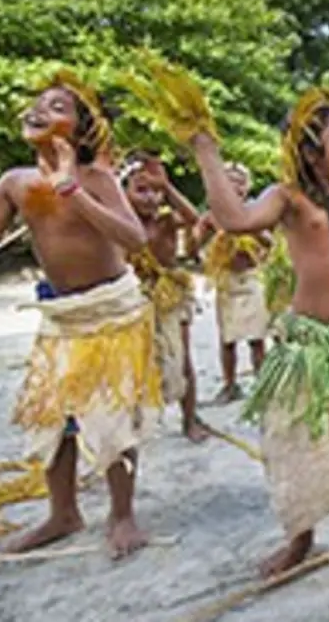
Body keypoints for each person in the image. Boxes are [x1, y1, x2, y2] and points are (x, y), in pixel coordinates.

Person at [128, 62, 329, 578]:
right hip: (309, 347)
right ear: (308, 150)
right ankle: (300, 538)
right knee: (298, 444)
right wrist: (205, 150)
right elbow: (234, 220)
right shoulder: (290, 199)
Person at [0, 71, 159, 559]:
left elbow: (135, 239)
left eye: (58, 106)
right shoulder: (15, 183)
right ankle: (63, 513)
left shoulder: (97, 178)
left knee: (110, 415)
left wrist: (72, 191)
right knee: (52, 415)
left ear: (82, 132)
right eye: (38, 102)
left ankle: (122, 515)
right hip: (60, 314)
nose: (41, 109)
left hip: (111, 311)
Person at [121, 152, 208, 443]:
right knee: (135, 360)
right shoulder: (120, 224)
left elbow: (194, 219)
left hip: (170, 294)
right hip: (135, 295)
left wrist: (168, 188)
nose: (151, 198)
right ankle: (132, 422)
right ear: (124, 193)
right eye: (141, 190)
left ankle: (190, 417)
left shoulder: (167, 221)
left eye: (155, 191)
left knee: (182, 358)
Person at [192, 162, 270, 404]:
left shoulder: (255, 211)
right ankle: (230, 384)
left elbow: (269, 242)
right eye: (228, 180)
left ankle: (262, 383)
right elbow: (193, 246)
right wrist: (205, 228)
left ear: (247, 187)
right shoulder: (212, 216)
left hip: (252, 280)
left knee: (257, 338)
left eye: (239, 181)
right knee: (227, 338)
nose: (234, 185)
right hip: (227, 282)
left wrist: (248, 226)